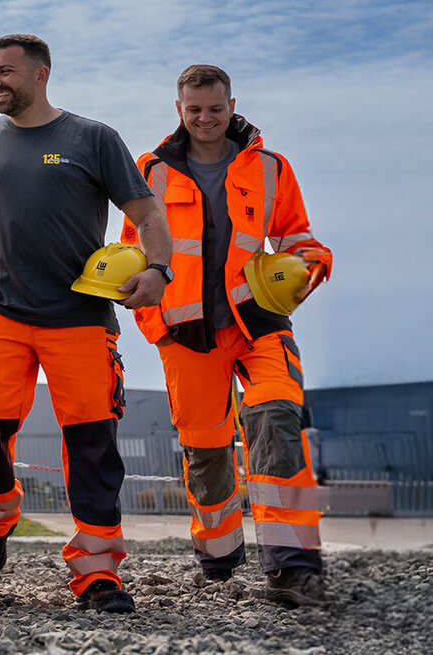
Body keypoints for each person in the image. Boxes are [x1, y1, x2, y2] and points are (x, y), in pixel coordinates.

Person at [0, 34, 170, 614]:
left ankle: (96, 573)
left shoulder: (93, 139)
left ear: (41, 75)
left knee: (93, 445)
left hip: (80, 317)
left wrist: (160, 269)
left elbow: (148, 213)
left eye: (6, 71)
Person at [121, 65, 333, 607]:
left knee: (279, 421)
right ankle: (217, 552)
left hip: (258, 323)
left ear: (232, 105)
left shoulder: (269, 167)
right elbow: (133, 256)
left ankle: (294, 566)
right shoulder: (150, 171)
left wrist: (307, 269)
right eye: (195, 110)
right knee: (206, 453)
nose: (205, 119)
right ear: (179, 110)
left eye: (215, 108)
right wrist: (157, 326)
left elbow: (299, 238)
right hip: (186, 334)